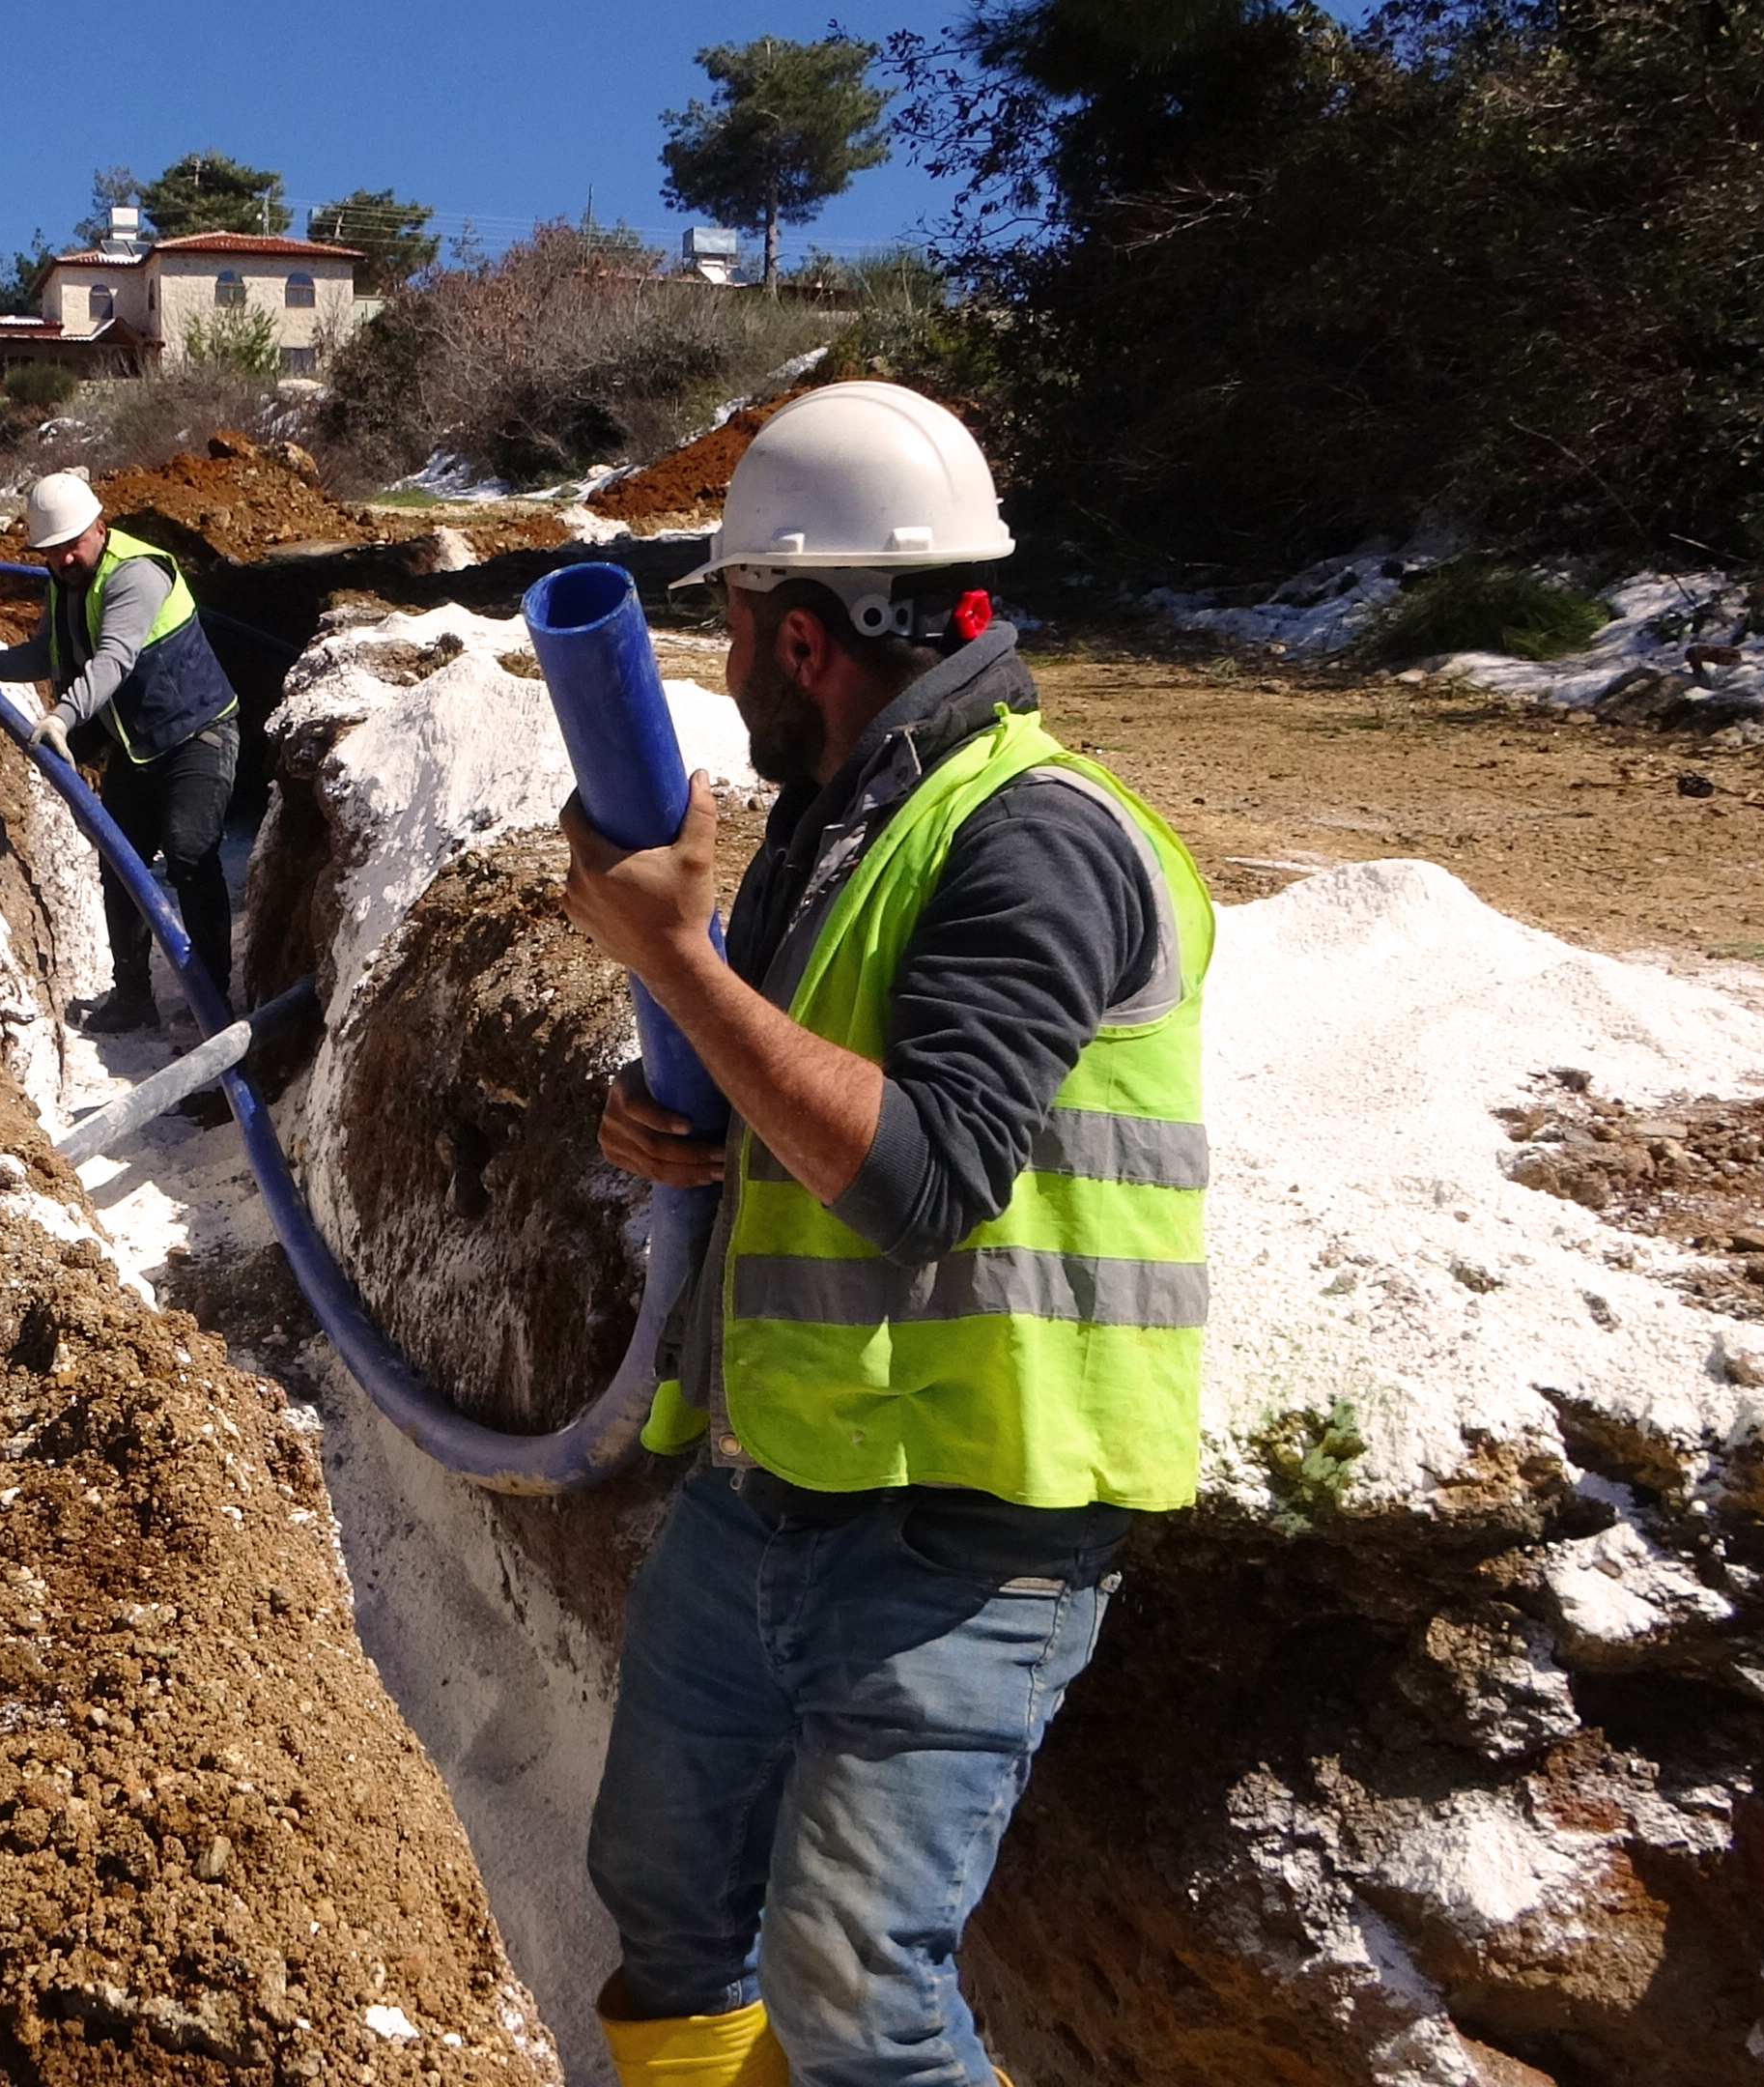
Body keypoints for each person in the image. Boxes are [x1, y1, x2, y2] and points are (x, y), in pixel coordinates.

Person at [553, 382, 1213, 2087]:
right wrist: (685, 1128)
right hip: (776, 1477)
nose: (719, 666)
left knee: (860, 2008)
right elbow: (812, 1107)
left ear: (800, 632)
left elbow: (929, 1178)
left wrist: (676, 961)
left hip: (965, 1530)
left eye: (729, 625)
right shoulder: (845, 822)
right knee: (667, 1901)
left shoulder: (1039, 835)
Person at [0, 470, 241, 1033]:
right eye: (51, 551)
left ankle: (212, 999)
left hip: (197, 733)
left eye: (72, 545)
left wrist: (62, 718)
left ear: (99, 526)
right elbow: (49, 652)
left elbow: (113, 657)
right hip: (136, 747)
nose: (64, 559)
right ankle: (133, 996)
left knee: (189, 854)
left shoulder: (134, 574)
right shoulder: (65, 582)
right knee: (120, 862)